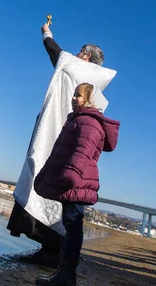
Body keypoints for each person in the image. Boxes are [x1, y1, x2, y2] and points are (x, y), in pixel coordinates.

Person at [7, 21, 115, 267]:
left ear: (85, 56)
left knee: (42, 179)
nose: (75, 55)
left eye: (79, 52)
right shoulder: (95, 87)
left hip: (54, 132)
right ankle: (55, 250)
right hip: (72, 140)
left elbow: (54, 50)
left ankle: (51, 254)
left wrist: (46, 32)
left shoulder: (74, 66)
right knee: (63, 200)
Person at [33, 83, 120, 285]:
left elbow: (83, 151)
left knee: (73, 226)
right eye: (74, 94)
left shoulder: (89, 122)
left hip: (76, 183)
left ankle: (66, 275)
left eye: (78, 96)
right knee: (71, 225)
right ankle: (64, 274)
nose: (74, 98)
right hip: (76, 182)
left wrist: (70, 176)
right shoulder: (81, 119)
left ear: (90, 99)